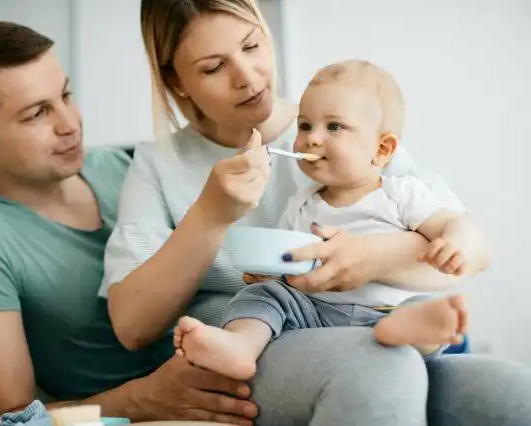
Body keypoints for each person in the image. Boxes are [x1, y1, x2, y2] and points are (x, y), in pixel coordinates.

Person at [102, 1, 531, 425]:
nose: (247, 78)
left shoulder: (350, 122)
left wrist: (368, 258)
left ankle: (404, 332)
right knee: (365, 364)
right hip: (282, 341)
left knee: (508, 392)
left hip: (384, 316)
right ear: (177, 81)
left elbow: (464, 253)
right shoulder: (158, 164)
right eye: (214, 68)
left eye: (252, 47)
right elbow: (133, 327)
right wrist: (211, 215)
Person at [0, 22, 260, 426]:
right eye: (37, 114)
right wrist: (142, 399)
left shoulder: (124, 168)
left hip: (242, 354)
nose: (69, 124)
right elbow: (12, 417)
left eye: (65, 95)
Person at [172, 59, 485, 380]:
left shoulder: (401, 194)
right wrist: (269, 275)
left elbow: (452, 222)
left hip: (385, 311)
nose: (312, 138)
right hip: (316, 315)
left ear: (381, 148)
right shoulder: (301, 203)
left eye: (334, 126)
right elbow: (291, 270)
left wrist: (455, 241)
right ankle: (242, 344)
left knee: (420, 306)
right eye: (305, 126)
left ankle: (408, 333)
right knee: (260, 297)